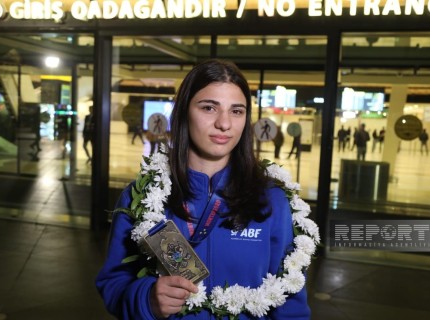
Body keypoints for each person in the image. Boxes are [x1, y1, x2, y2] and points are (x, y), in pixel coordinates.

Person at [95, 60, 314, 319]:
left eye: (237, 111)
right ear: (184, 110)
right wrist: (147, 299)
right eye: (209, 107)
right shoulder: (141, 197)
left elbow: (291, 303)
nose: (224, 124)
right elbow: (113, 283)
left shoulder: (273, 200)